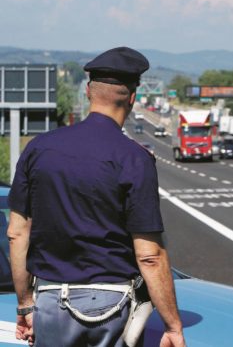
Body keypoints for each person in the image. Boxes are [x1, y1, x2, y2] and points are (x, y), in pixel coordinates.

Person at [7, 46, 186, 347]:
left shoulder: (38, 149)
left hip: (49, 301)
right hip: (111, 305)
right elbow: (149, 255)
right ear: (131, 98)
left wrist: (25, 304)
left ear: (88, 91)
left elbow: (16, 233)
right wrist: (173, 325)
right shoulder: (134, 158)